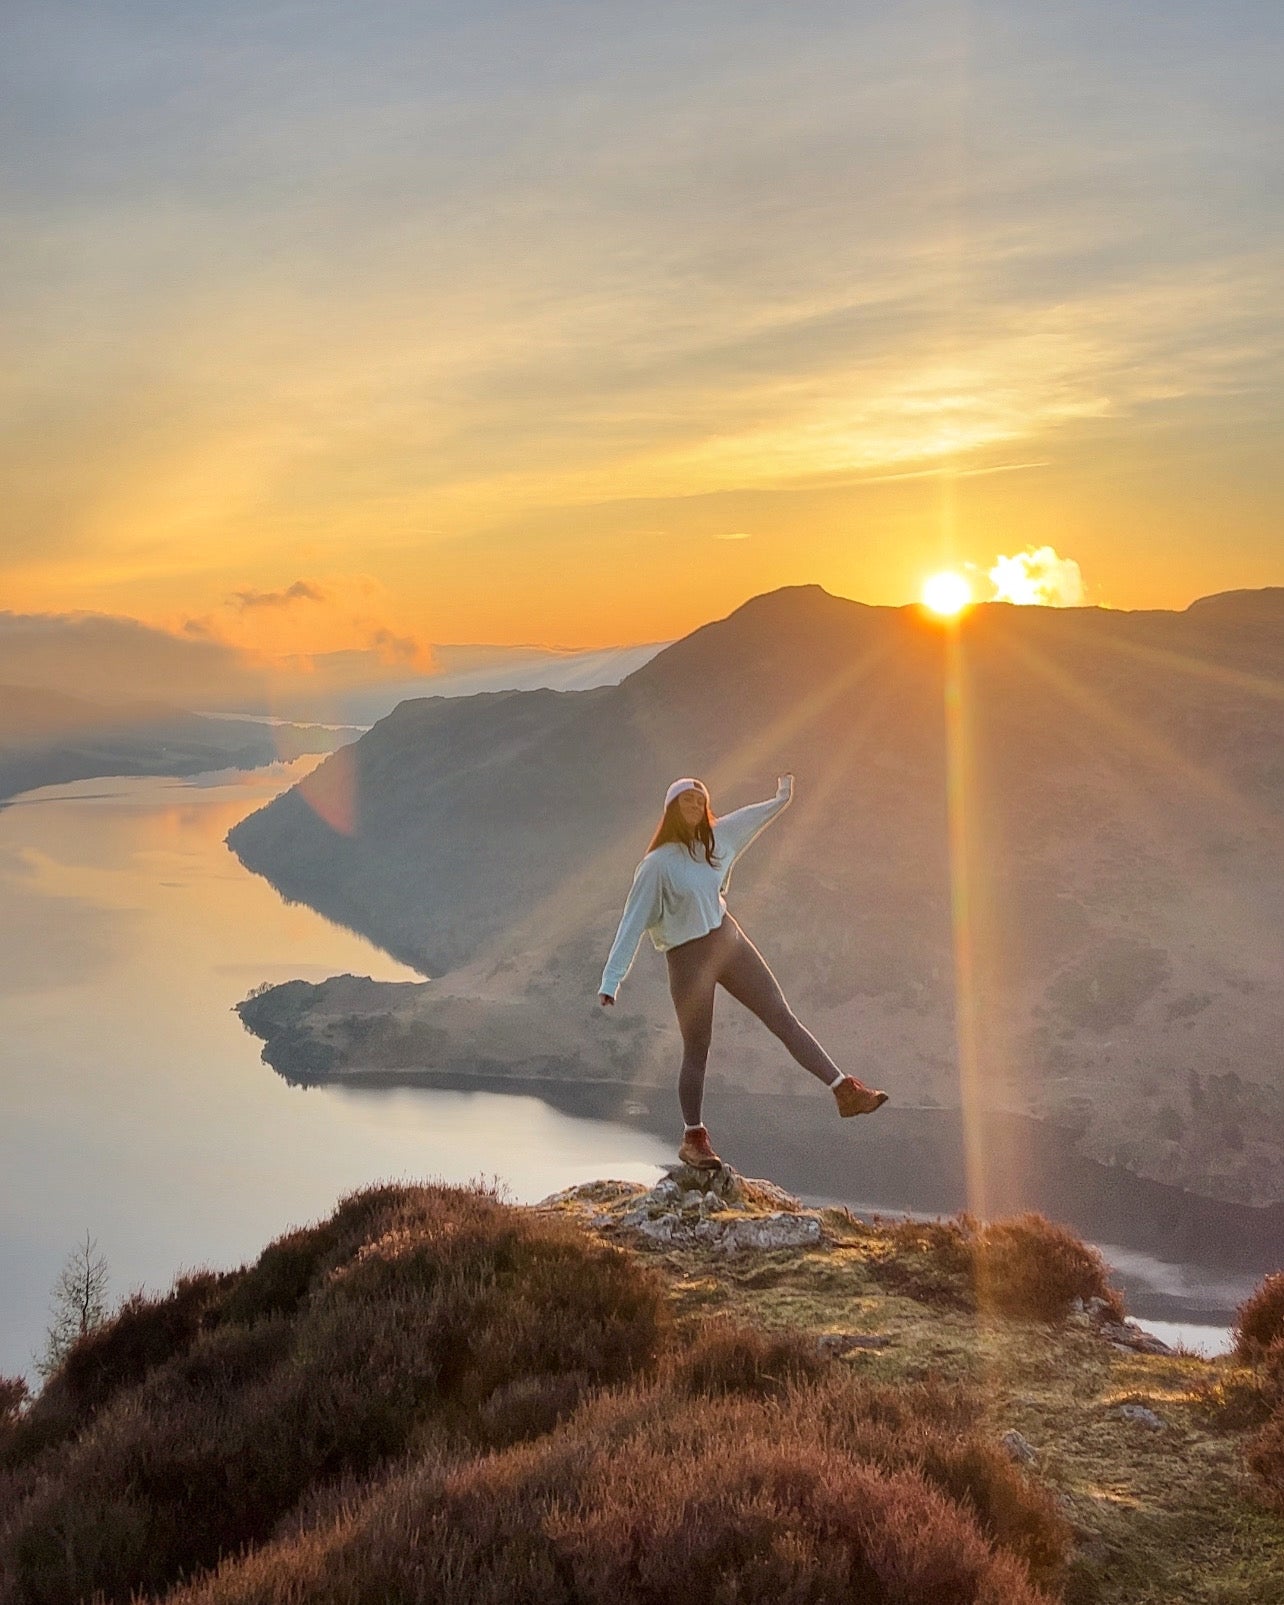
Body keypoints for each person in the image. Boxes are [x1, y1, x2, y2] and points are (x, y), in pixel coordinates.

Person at [598, 773, 887, 1169]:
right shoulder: (656, 866)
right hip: (687, 958)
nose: (697, 807)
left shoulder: (716, 839)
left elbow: (752, 819)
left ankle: (844, 1091)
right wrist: (611, 980)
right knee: (697, 1049)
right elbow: (631, 922)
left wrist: (782, 796)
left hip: (727, 940)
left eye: (701, 802)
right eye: (687, 802)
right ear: (671, 810)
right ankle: (693, 1139)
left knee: (781, 1017)